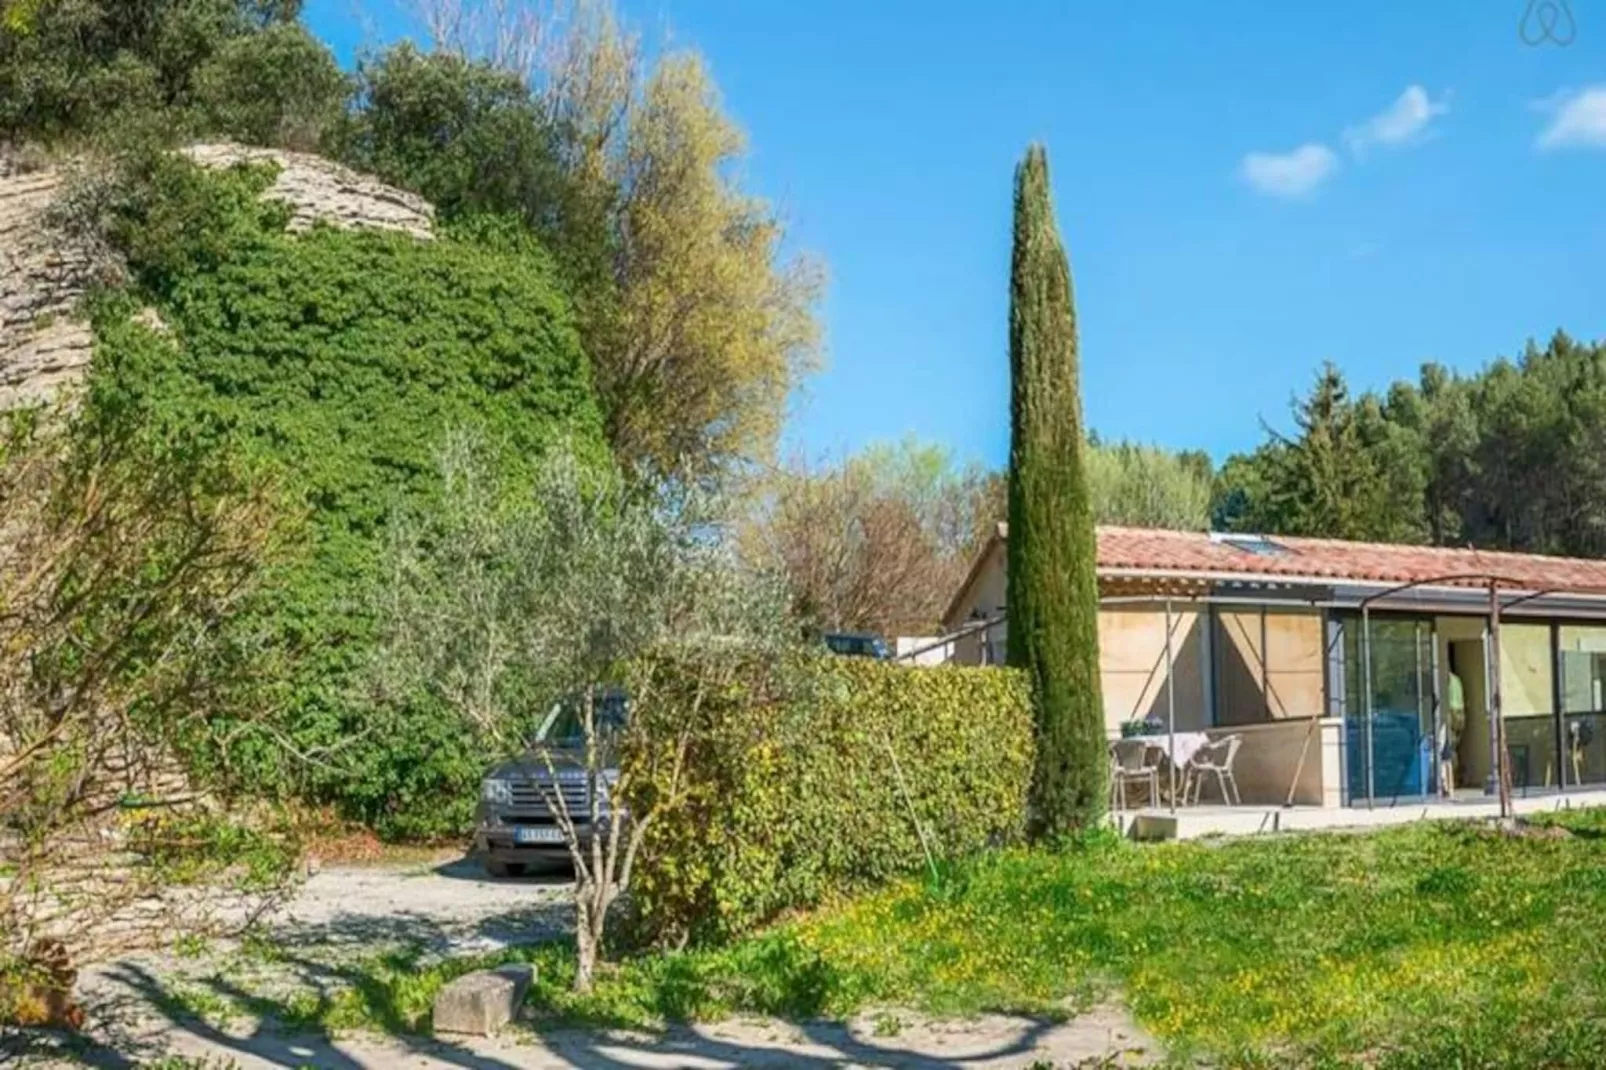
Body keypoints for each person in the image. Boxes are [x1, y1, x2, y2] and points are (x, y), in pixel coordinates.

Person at [1440, 666, 1466, 797]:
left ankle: (1451, 783)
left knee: (1448, 750)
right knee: (1454, 747)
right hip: (1460, 713)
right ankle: (1453, 782)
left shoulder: (1447, 680)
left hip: (1452, 712)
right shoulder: (1457, 679)